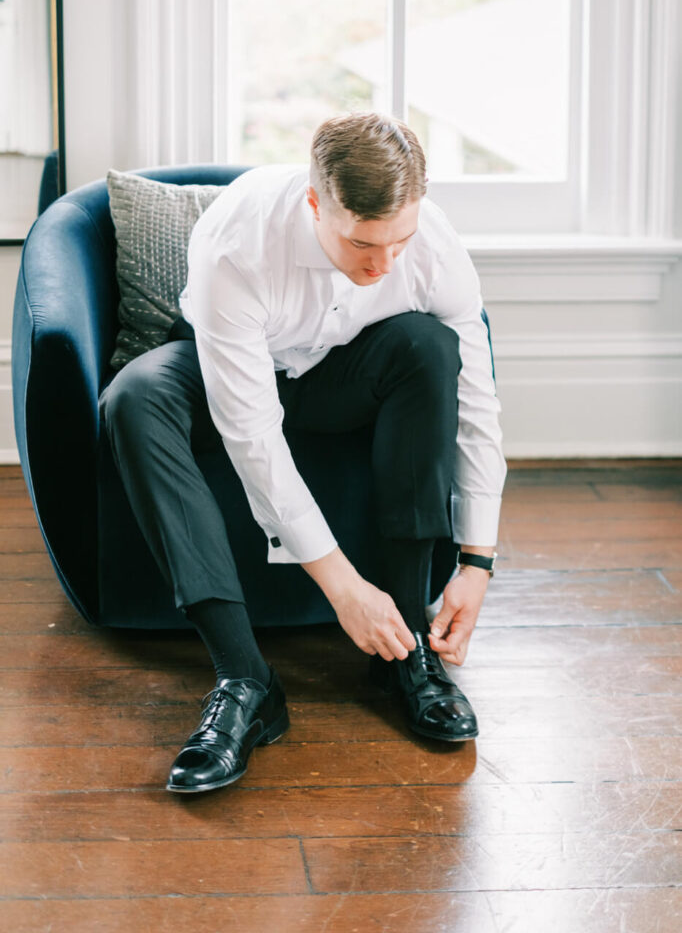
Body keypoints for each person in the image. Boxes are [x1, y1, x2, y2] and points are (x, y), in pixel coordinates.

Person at [100, 112, 506, 795]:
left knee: (430, 348)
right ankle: (245, 681)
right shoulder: (239, 243)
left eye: (399, 241)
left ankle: (404, 650)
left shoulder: (430, 244)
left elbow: (476, 400)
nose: (383, 266)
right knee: (135, 396)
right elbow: (252, 434)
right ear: (316, 204)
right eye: (361, 245)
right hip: (222, 369)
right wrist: (342, 587)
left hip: (339, 375)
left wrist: (477, 562)